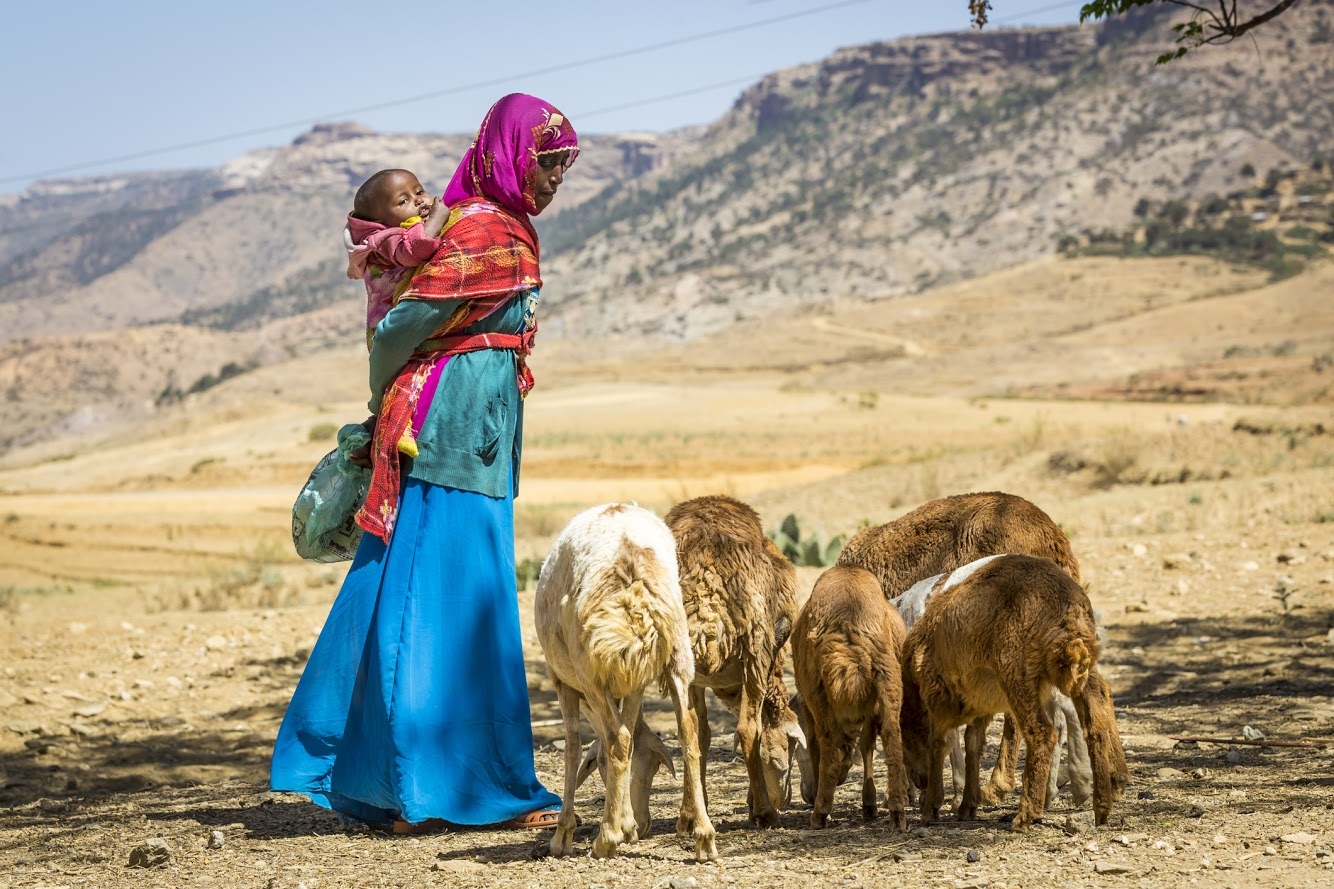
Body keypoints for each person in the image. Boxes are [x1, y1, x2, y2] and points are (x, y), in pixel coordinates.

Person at [270, 93, 578, 834]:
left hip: (480, 436)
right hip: (442, 437)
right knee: (439, 607)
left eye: (564, 165)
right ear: (508, 155)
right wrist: (387, 399)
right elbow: (398, 329)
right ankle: (426, 785)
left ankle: (410, 774)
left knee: (446, 601)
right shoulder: (473, 228)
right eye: (546, 161)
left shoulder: (503, 227)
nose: (556, 177)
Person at [343, 169, 452, 349]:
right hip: (390, 334)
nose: (418, 200)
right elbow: (414, 251)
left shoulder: (408, 227)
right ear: (380, 222)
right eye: (403, 201)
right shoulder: (384, 239)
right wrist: (437, 220)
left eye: (419, 192)